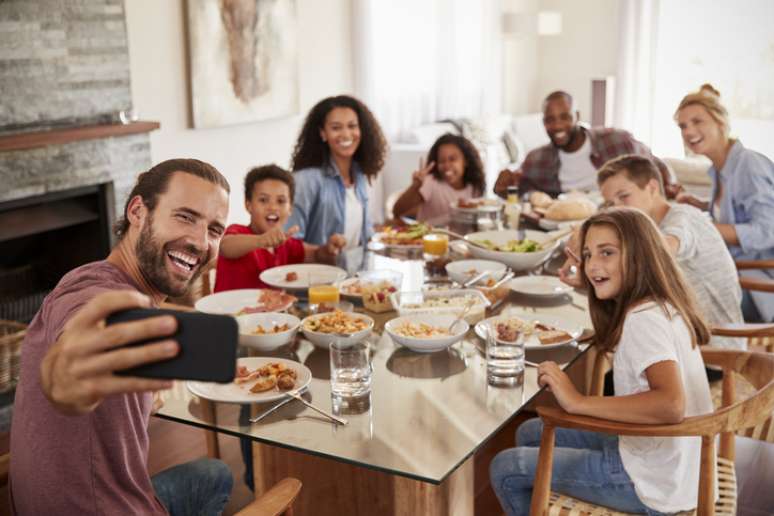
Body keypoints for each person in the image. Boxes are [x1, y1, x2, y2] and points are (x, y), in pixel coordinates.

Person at [10, 159, 234, 515]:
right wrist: (67, 375)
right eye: (185, 217)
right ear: (138, 211)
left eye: (215, 230)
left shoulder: (88, 274)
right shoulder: (94, 295)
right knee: (223, 476)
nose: (199, 241)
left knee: (213, 473)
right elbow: (76, 345)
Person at [490, 208, 714, 515]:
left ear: (640, 256)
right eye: (587, 255)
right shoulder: (658, 303)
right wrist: (594, 282)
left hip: (654, 484)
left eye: (606, 253)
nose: (593, 265)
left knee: (506, 467)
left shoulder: (643, 320)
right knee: (531, 431)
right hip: (677, 465)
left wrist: (577, 401)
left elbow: (670, 404)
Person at [561, 154, 744, 351]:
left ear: (652, 188)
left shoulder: (683, 217)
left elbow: (662, 248)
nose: (617, 208)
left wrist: (588, 234)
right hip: (680, 337)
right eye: (610, 203)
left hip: (711, 348)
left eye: (624, 196)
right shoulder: (648, 228)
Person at [674, 84, 774, 322]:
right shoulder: (720, 169)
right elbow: (738, 210)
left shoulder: (748, 165)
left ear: (720, 122)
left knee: (673, 300)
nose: (689, 131)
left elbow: (767, 231)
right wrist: (701, 205)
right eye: (683, 126)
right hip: (734, 273)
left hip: (759, 284)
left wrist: (705, 229)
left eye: (698, 121)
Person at [493, 90, 679, 199]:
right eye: (550, 120)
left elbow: (656, 163)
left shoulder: (616, 141)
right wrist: (503, 189)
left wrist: (670, 185)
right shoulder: (537, 159)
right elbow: (519, 191)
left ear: (578, 116)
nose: (557, 126)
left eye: (565, 117)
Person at [214, 164, 346, 292]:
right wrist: (261, 241)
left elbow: (316, 254)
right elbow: (226, 246)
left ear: (290, 209)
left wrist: (328, 248)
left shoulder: (285, 244)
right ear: (248, 205)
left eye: (281, 201)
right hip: (228, 314)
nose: (273, 207)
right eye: (263, 200)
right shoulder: (238, 232)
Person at [287, 94, 387, 250]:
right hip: (317, 273)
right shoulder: (305, 180)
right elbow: (289, 243)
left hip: (355, 271)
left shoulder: (359, 174)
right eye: (336, 128)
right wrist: (321, 252)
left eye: (352, 126)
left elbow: (366, 236)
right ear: (323, 133)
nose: (346, 134)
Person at [392, 133, 486, 226]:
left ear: (466, 161)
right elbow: (397, 211)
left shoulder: (474, 188)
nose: (447, 165)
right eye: (441, 161)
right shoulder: (431, 182)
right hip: (430, 238)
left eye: (452, 159)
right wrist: (416, 185)